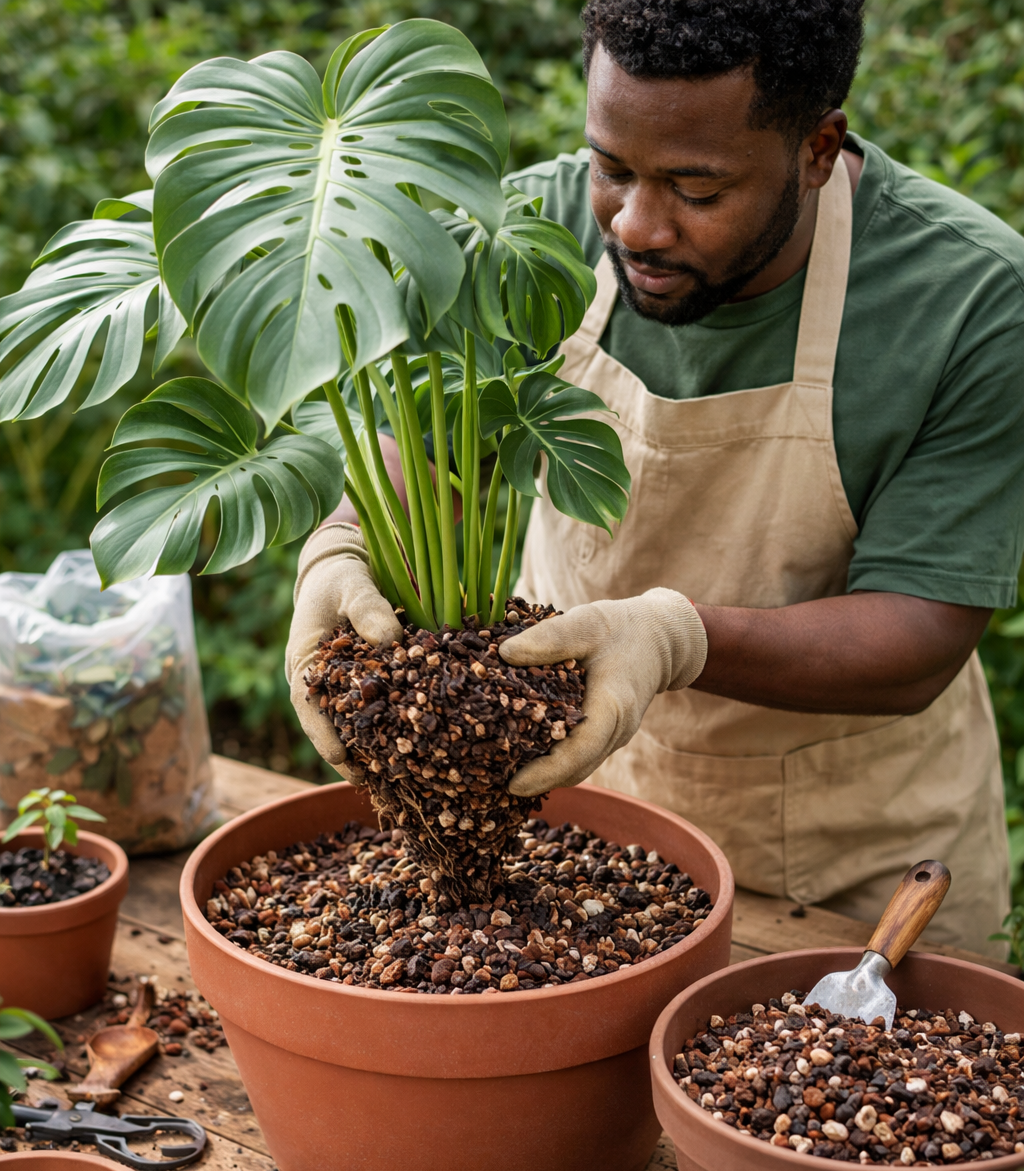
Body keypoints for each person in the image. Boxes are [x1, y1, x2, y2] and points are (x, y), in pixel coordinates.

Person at [287, 0, 1024, 954]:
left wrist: (675, 638)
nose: (635, 225)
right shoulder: (528, 234)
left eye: (697, 188)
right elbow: (431, 454)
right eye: (612, 167)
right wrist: (344, 543)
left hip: (852, 868)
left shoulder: (967, 300)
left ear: (816, 147)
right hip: (572, 810)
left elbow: (920, 636)